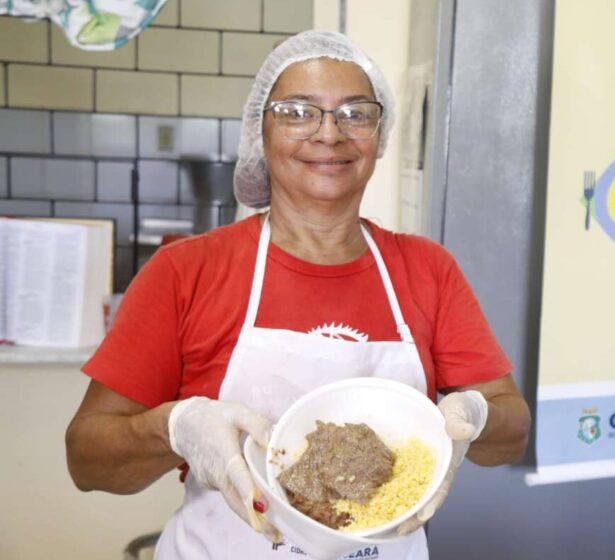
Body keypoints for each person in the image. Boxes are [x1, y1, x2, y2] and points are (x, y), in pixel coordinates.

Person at [65, 30, 531, 559]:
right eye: (297, 111)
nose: (329, 134)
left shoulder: (427, 270)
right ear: (258, 134)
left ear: (379, 136)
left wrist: (475, 416)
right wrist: (172, 428)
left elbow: (512, 430)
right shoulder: (186, 271)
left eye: (356, 113)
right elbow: (86, 461)